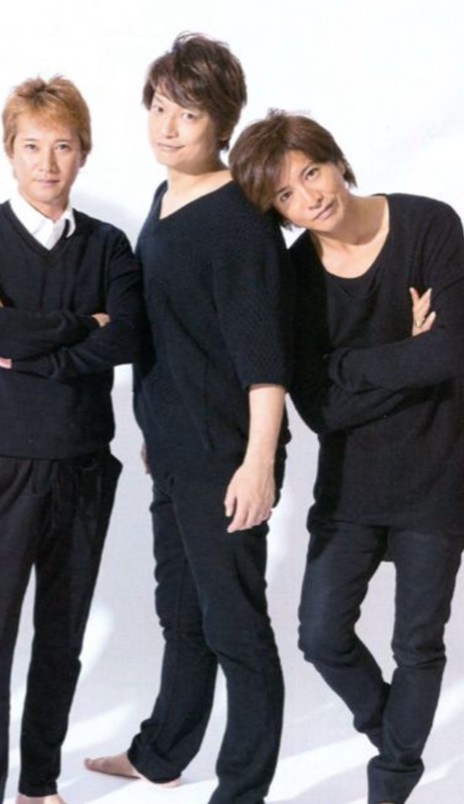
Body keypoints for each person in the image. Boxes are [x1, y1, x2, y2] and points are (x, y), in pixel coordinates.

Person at [230, 110, 464, 804]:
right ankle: (394, 732)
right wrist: (407, 355)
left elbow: (452, 352)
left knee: (417, 645)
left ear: (335, 161)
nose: (310, 197)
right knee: (320, 634)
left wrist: (346, 367)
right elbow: (320, 411)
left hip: (438, 476)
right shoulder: (296, 276)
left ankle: (390, 783)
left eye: (312, 172)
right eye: (287, 194)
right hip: (351, 485)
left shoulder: (429, 224)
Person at [84, 34, 292, 804]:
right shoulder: (166, 197)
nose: (169, 127)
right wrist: (154, 426)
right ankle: (162, 754)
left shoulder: (238, 218)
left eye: (190, 113)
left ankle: (242, 790)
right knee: (180, 612)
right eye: (160, 107)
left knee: (236, 627)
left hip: (226, 455)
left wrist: (258, 463)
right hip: (174, 448)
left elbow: (264, 358)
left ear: (223, 123)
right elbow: (176, 333)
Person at [0, 75, 142, 804]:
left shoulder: (109, 245)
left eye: (62, 146)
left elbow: (128, 337)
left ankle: (38, 785)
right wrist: (82, 325)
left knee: (62, 642)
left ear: (83, 152)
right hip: (4, 470)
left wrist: (39, 351)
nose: (47, 162)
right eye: (32, 146)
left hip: (85, 467)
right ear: (10, 151)